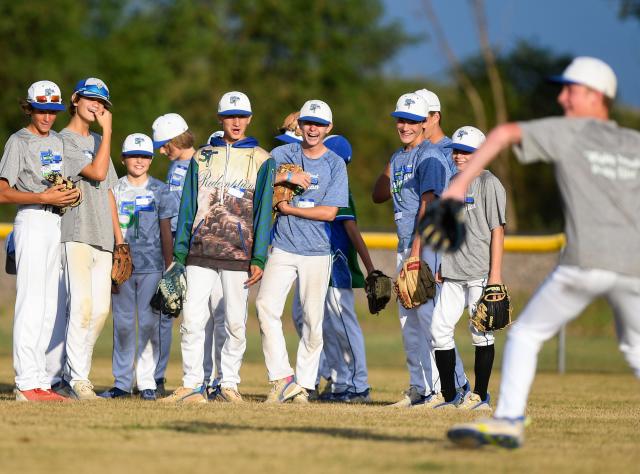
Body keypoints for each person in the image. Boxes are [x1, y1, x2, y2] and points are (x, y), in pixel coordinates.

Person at [445, 57, 640, 448]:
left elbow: (500, 135)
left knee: (527, 335)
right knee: (636, 350)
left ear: (596, 97)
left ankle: (508, 421)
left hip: (585, 261)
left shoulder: (569, 133)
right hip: (633, 264)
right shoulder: (633, 143)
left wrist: (457, 186)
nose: (563, 97)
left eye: (571, 89)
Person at [160, 91, 271, 403]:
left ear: (249, 118)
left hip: (239, 253)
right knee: (193, 319)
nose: (235, 122)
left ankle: (228, 384)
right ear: (220, 119)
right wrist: (179, 254)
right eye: (229, 116)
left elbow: (264, 212)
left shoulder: (262, 159)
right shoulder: (201, 156)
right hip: (199, 250)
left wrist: (259, 254)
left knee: (235, 321)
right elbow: (187, 207)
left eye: (241, 116)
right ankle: (192, 385)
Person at [371, 92, 468, 407]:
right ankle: (420, 387)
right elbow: (382, 195)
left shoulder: (429, 157)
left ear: (425, 122)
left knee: (429, 318)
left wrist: (415, 251)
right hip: (406, 245)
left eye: (412, 120)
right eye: (401, 119)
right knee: (408, 320)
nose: (405, 125)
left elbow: (429, 206)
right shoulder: (399, 157)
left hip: (424, 246)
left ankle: (451, 387)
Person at [256, 100, 348, 403]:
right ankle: (283, 377)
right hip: (282, 245)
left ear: (328, 128)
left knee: (312, 320)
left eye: (319, 124)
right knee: (265, 307)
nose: (312, 128)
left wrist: (287, 209)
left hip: (317, 251)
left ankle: (305, 385)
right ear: (300, 125)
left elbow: (330, 213)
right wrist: (286, 178)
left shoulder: (334, 163)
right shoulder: (282, 154)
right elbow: (256, 182)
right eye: (308, 122)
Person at [0, 80, 78, 402]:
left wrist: (71, 193)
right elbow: (3, 190)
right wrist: (41, 195)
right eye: (42, 110)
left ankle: (42, 381)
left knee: (50, 306)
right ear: (29, 108)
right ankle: (25, 382)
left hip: (55, 221)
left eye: (53, 111)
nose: (47, 117)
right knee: (31, 302)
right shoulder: (18, 142)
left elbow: (65, 179)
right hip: (31, 217)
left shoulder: (58, 141)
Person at [428, 126, 506, 410]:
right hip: (451, 271)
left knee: (481, 332)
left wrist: (495, 276)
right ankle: (450, 396)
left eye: (466, 152)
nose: (459, 156)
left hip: (479, 272)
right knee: (438, 330)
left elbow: (498, 230)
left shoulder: (488, 183)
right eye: (457, 151)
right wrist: (439, 261)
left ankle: (480, 395)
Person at [58, 77, 122, 400]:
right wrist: (109, 132)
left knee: (99, 312)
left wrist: (120, 240)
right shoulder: (63, 140)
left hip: (102, 237)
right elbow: (95, 173)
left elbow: (108, 189)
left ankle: (70, 374)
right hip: (76, 232)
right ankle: (78, 378)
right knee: (81, 306)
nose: (96, 106)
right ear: (75, 100)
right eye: (90, 98)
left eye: (102, 102)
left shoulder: (99, 141)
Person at [100, 133, 177, 400]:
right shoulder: (115, 188)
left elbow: (166, 230)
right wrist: (108, 263)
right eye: (133, 155)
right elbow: (107, 228)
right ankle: (122, 382)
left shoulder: (160, 189)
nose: (139, 160)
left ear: (151, 159)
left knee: (148, 324)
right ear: (123, 159)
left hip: (153, 266)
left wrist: (169, 267)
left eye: (144, 155)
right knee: (122, 324)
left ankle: (146, 383)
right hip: (122, 267)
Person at [414, 89, 457, 175]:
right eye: (412, 120)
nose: (416, 126)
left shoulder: (453, 153)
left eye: (422, 119)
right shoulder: (408, 151)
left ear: (436, 117)